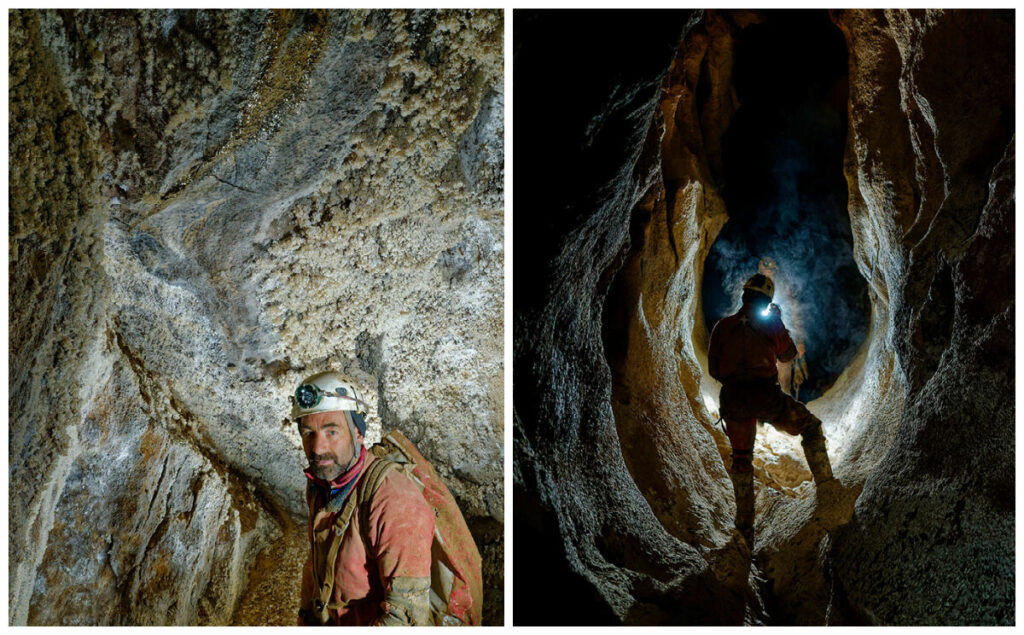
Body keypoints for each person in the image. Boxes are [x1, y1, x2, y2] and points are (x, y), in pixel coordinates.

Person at [293, 372, 434, 626]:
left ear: (358, 433)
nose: (317, 448)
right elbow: (317, 560)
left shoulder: (393, 500)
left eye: (332, 432)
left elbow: (405, 620)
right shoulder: (320, 486)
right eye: (308, 433)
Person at [707, 274, 839, 546]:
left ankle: (744, 532)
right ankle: (827, 488)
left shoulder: (723, 326)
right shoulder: (770, 325)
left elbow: (714, 370)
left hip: (732, 399)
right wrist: (777, 324)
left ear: (743, 296)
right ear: (767, 300)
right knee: (810, 426)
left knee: (741, 459)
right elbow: (788, 355)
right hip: (765, 396)